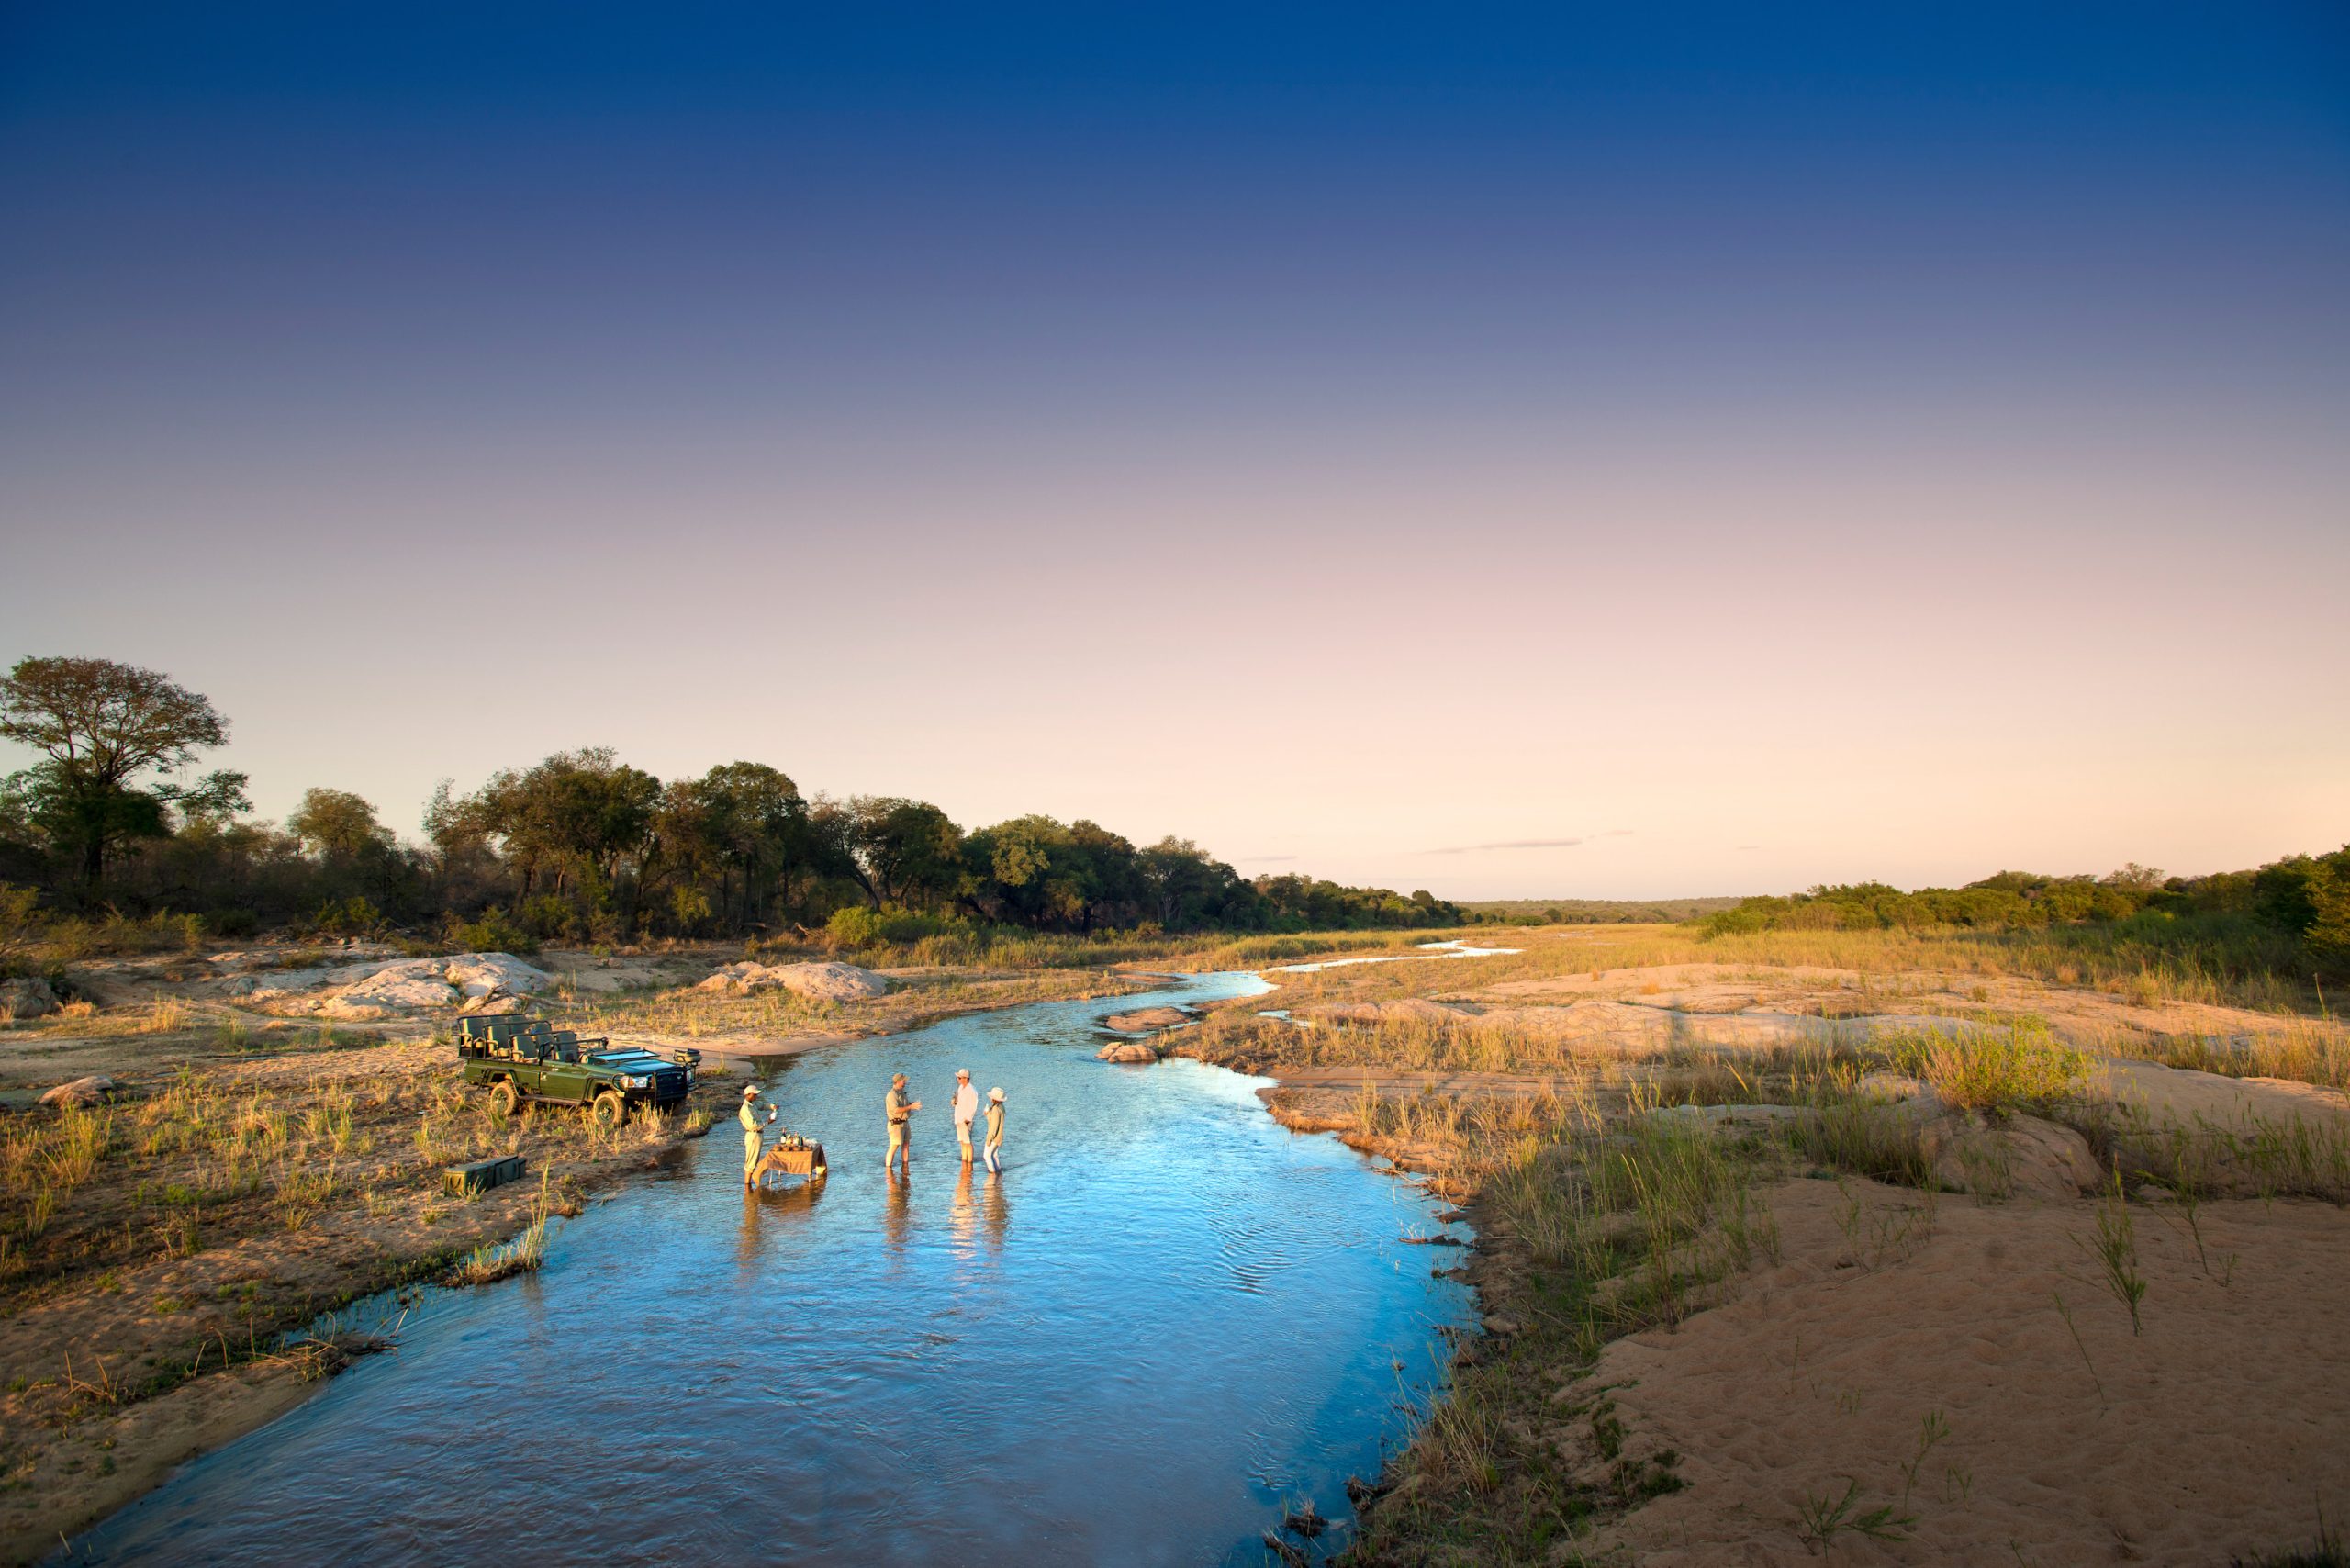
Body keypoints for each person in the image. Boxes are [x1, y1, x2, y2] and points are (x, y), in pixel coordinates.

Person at [738, 1084, 777, 1189]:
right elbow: (753, 1125)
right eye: (754, 1094)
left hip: (757, 1136)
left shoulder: (753, 1104)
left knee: (754, 1160)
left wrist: (772, 1106)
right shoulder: (745, 1109)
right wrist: (767, 1122)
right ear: (749, 1095)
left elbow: (762, 1105)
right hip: (753, 1136)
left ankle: (749, 1185)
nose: (756, 1096)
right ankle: (747, 1185)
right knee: (751, 1161)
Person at [884, 1072, 921, 1174]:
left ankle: (905, 1168)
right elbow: (895, 1110)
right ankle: (888, 1171)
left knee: (906, 1145)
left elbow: (904, 1105)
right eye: (904, 1080)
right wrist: (910, 1107)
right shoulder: (891, 1095)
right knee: (894, 1146)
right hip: (896, 1124)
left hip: (905, 1123)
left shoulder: (902, 1092)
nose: (905, 1082)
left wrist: (912, 1104)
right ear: (899, 1081)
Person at [950, 1069, 979, 1165]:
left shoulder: (971, 1090)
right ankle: (964, 1162)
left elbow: (973, 1105)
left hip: (966, 1120)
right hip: (959, 1118)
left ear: (965, 1078)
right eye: (958, 1077)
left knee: (967, 1142)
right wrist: (954, 1102)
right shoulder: (960, 1088)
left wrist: (968, 1118)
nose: (957, 1079)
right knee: (962, 1142)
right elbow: (959, 1102)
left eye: (959, 1077)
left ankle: (969, 1163)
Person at [983, 1086, 1006, 1172]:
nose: (990, 1098)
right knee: (995, 1155)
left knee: (987, 1156)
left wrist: (989, 1139)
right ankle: (998, 1171)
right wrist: (988, 1113)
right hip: (999, 1137)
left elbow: (994, 1126)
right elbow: (996, 1122)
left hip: (994, 1137)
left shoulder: (996, 1109)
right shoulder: (1001, 1107)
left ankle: (993, 1174)